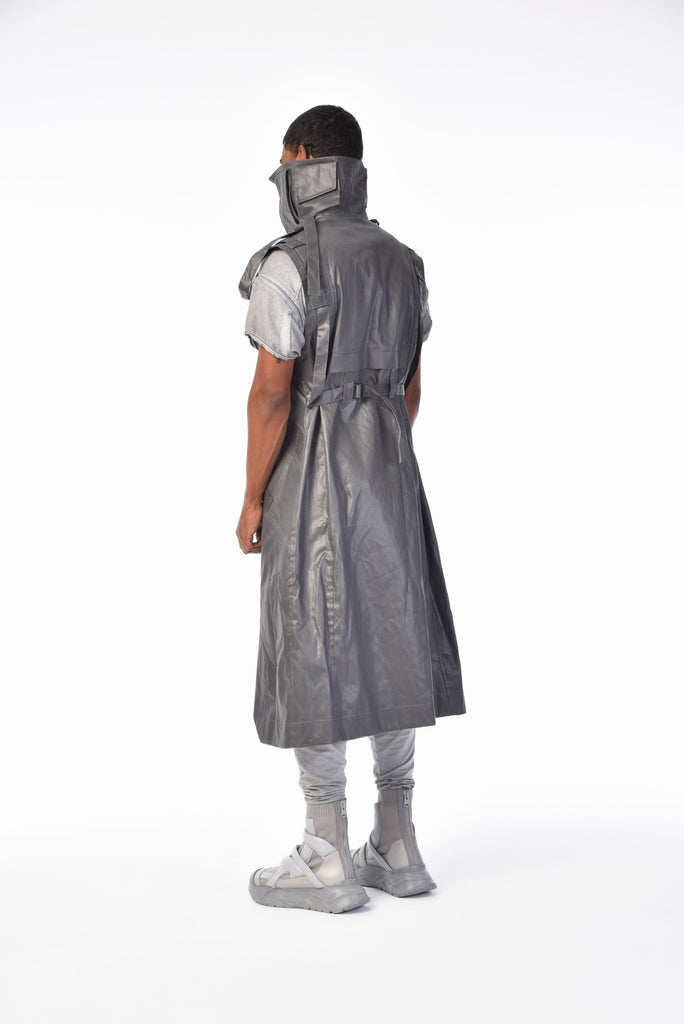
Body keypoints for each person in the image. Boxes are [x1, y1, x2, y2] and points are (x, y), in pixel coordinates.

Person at [236, 105, 465, 913]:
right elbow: (408, 387)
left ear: (301, 158)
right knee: (393, 639)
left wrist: (252, 496)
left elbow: (272, 395)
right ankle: (396, 842)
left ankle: (325, 850)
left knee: (312, 646)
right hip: (391, 478)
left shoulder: (287, 262)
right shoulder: (405, 263)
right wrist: (377, 458)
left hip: (307, 480)